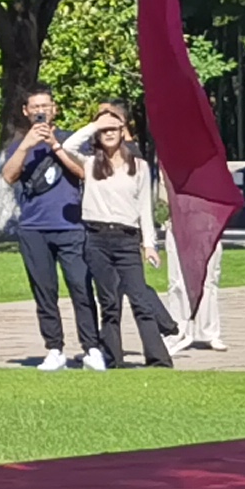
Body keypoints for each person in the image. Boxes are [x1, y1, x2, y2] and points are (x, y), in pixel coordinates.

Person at [65, 105, 179, 369]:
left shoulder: (138, 166)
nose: (108, 133)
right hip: (97, 239)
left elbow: (144, 209)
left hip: (126, 239)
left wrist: (149, 244)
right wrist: (95, 124)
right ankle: (113, 358)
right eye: (103, 130)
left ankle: (158, 359)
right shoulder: (90, 163)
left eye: (113, 129)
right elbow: (68, 146)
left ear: (122, 132)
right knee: (109, 302)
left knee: (140, 299)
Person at [0, 90, 99, 368]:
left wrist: (55, 145)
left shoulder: (72, 140)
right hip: (34, 228)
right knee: (45, 291)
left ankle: (92, 347)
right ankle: (54, 348)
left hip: (71, 226)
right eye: (35, 107)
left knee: (81, 287)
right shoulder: (20, 145)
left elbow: (83, 173)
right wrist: (26, 146)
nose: (40, 111)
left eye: (45, 106)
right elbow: (8, 176)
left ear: (54, 109)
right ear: (26, 111)